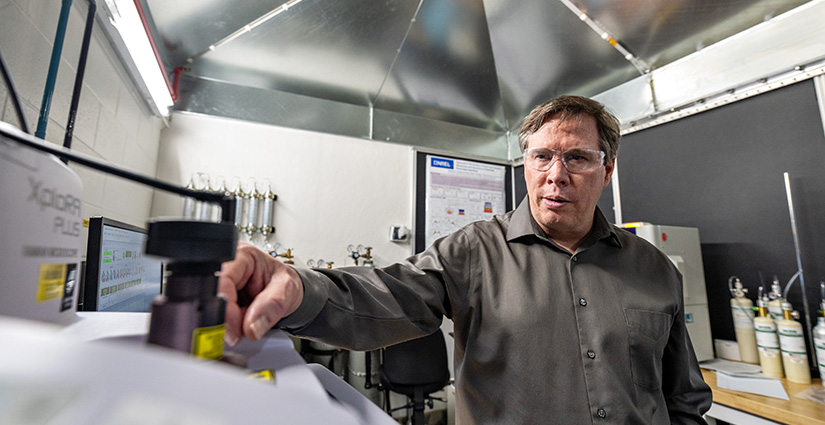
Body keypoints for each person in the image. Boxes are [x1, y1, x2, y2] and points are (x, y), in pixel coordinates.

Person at [218, 95, 712, 424]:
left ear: (607, 170)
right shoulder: (474, 251)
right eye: (541, 157)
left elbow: (683, 396)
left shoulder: (654, 268)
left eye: (577, 158)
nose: (555, 176)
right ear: (526, 166)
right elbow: (388, 294)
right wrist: (298, 288)